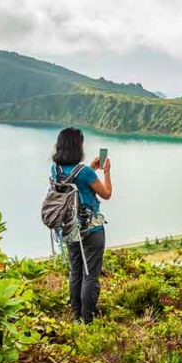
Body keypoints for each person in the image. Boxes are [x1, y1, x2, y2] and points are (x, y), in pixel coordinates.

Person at [51, 127, 112, 323]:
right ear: (78, 147)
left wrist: (92, 169)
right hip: (90, 230)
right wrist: (107, 172)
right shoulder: (84, 172)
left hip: (69, 228)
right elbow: (106, 193)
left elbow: (74, 181)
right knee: (91, 275)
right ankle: (88, 321)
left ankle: (75, 317)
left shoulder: (56, 169)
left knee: (75, 271)